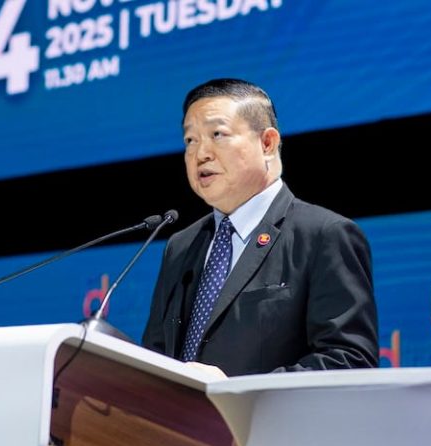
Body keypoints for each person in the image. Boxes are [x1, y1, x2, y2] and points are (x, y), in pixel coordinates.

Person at [141, 78, 379, 377]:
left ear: (267, 143)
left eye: (217, 134)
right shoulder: (181, 245)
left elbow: (349, 361)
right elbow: (156, 356)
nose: (201, 154)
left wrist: (236, 394)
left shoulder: (324, 234)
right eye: (190, 140)